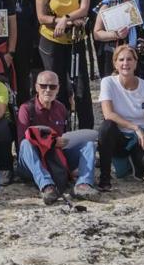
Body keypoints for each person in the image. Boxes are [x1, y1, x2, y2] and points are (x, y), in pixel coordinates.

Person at [35, 0, 93, 128]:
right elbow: (42, 17)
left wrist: (65, 19)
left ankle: (86, 132)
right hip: (51, 40)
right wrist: (65, 22)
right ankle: (59, 129)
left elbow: (84, 9)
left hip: (75, 40)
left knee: (82, 88)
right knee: (56, 86)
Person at [16, 70, 97, 202]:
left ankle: (83, 184)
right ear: (36, 87)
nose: (48, 90)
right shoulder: (26, 108)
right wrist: (51, 142)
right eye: (43, 86)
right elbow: (22, 143)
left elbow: (66, 136)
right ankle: (47, 186)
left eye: (52, 86)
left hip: (56, 157)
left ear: (58, 88)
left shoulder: (61, 108)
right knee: (26, 144)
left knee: (89, 144)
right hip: (33, 161)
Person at [97, 45, 144, 190]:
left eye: (129, 59)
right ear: (115, 63)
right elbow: (108, 114)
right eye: (121, 60)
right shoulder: (108, 82)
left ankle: (135, 163)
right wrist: (135, 127)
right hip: (119, 136)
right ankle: (105, 178)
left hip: (141, 138)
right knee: (106, 127)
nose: (125, 63)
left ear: (135, 62)